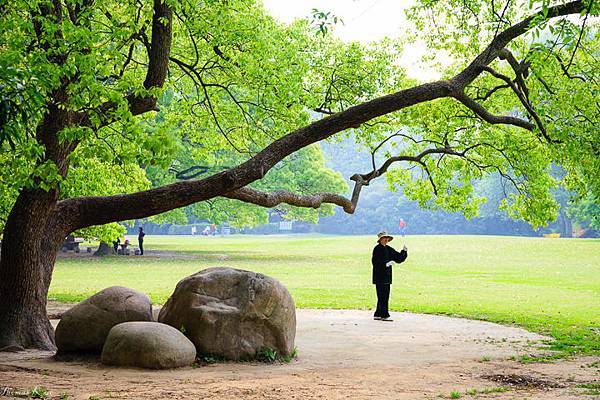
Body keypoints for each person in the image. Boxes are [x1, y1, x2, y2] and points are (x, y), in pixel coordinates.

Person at [371, 231, 408, 321]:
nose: (386, 240)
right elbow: (375, 262)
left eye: (387, 238)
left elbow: (398, 258)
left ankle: (378, 314)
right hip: (379, 277)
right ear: (380, 239)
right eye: (384, 238)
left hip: (387, 276)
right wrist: (386, 264)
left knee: (384, 295)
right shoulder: (377, 249)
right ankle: (384, 315)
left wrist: (404, 251)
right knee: (382, 296)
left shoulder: (388, 249)